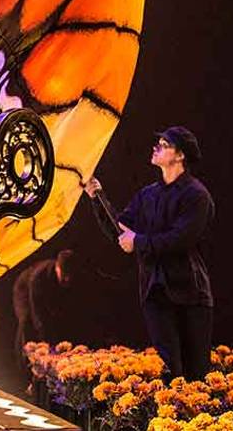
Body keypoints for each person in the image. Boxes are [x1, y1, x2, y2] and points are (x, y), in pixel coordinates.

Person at [84, 126, 214, 380]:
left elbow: (181, 239)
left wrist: (139, 241)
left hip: (190, 292)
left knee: (195, 371)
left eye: (164, 145)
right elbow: (120, 231)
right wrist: (97, 197)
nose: (156, 148)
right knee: (169, 368)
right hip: (155, 291)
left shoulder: (197, 195)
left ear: (180, 155)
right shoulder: (147, 195)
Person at [12, 249, 74, 363]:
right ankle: (24, 359)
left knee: (55, 318)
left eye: (69, 275)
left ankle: (51, 353)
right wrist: (45, 341)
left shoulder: (65, 275)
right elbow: (38, 314)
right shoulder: (38, 278)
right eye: (64, 275)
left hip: (45, 290)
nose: (67, 279)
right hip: (24, 289)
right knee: (27, 320)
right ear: (57, 268)